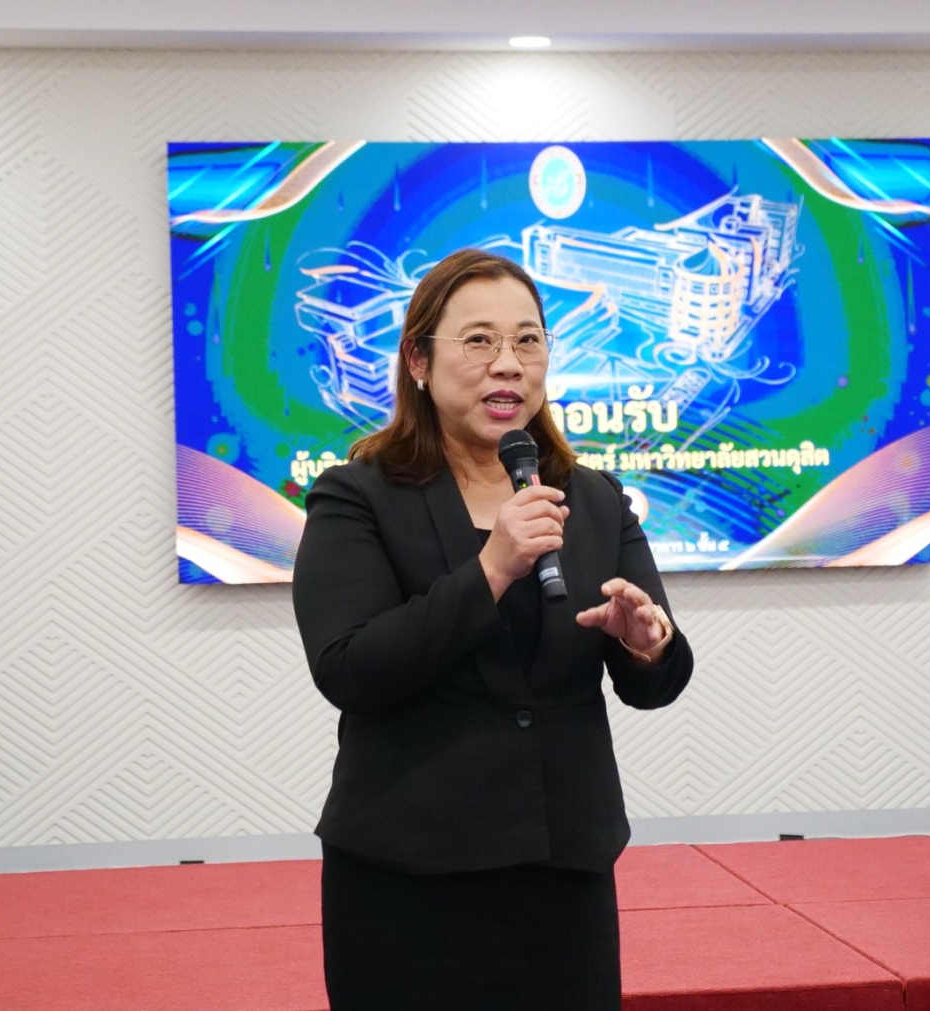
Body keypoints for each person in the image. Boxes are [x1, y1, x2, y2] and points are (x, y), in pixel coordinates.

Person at [292, 247, 693, 1010]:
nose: (507, 363)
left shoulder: (593, 500)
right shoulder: (356, 497)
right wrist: (492, 568)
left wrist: (649, 646)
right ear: (418, 360)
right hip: (407, 883)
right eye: (478, 340)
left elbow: (654, 679)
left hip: (562, 879)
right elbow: (350, 667)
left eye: (527, 340)